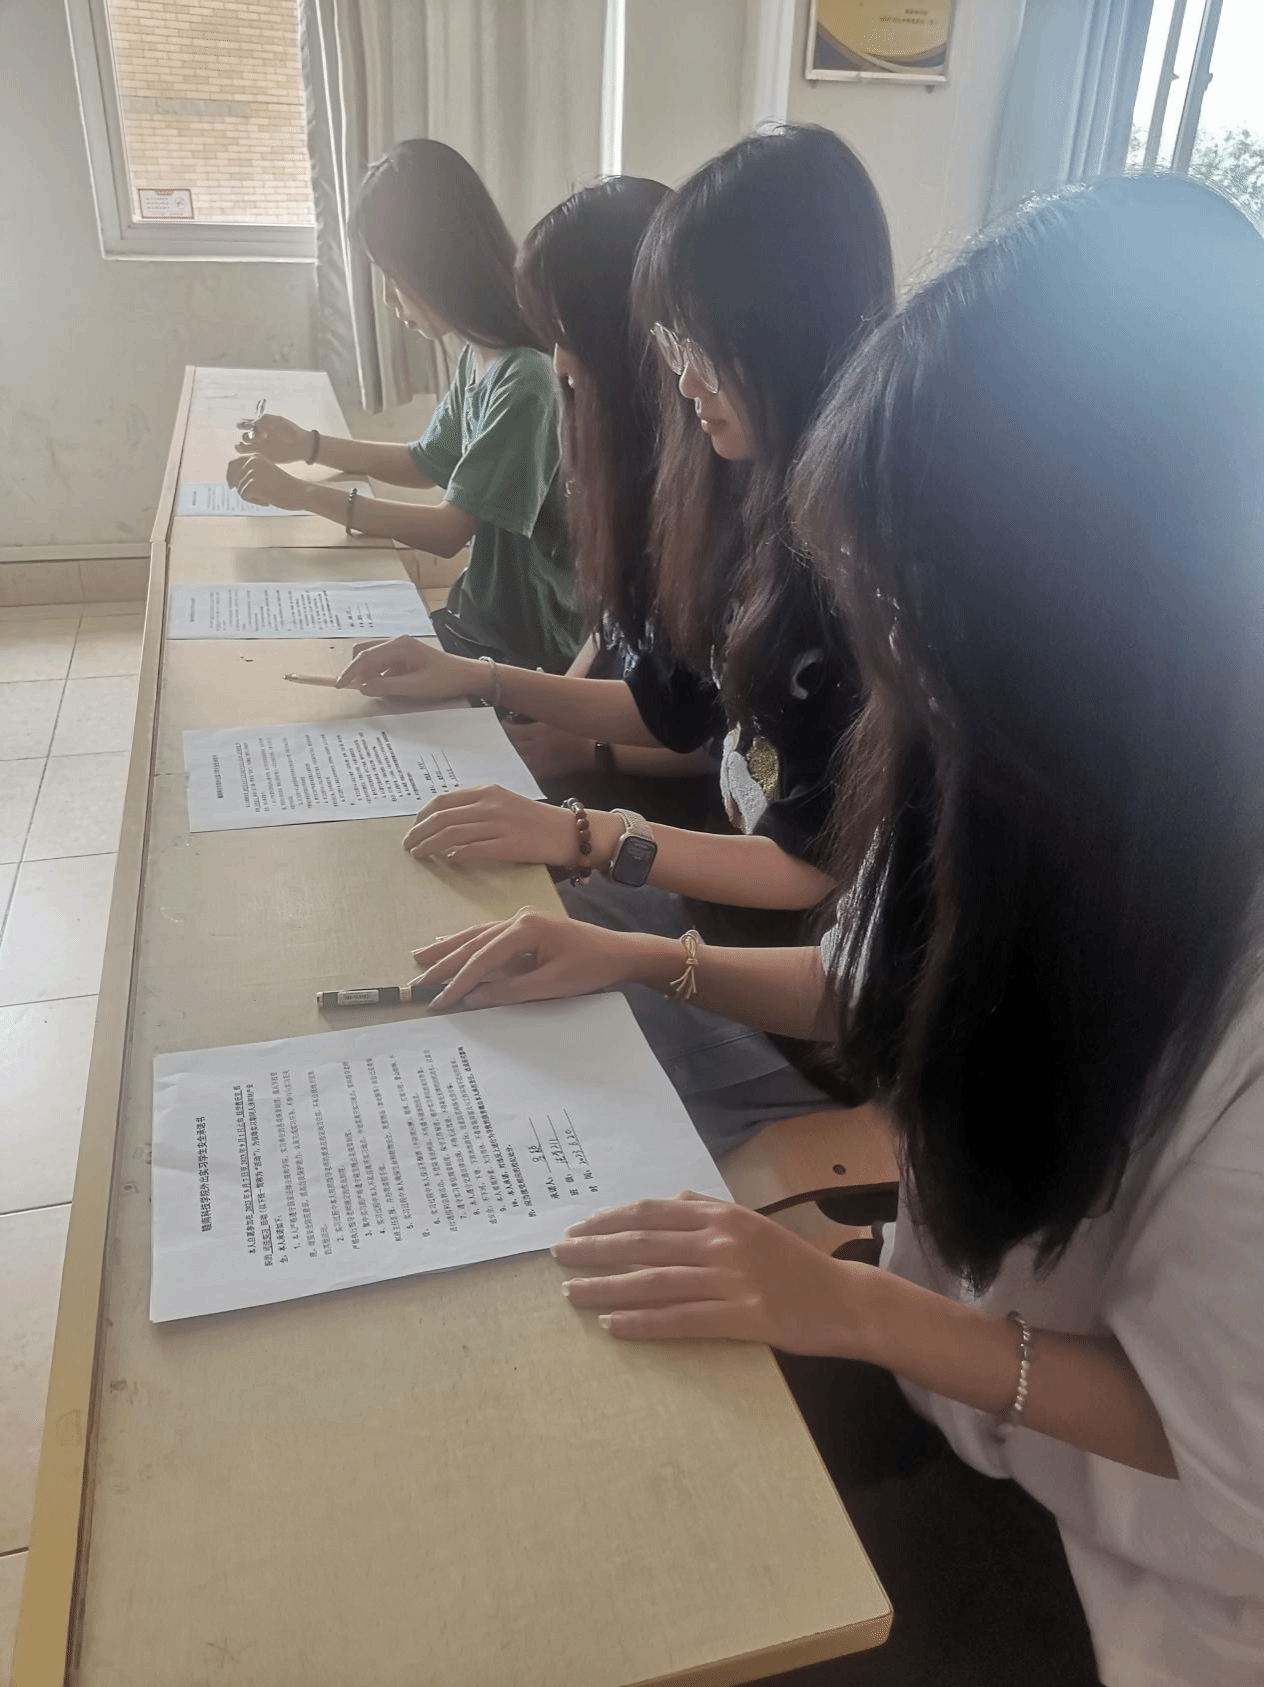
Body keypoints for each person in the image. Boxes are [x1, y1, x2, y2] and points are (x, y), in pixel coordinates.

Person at [407, 174, 1264, 1684]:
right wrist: (637, 951)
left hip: (1135, 1582)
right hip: (960, 1388)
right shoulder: (1042, 779)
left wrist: (848, 1299)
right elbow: (876, 981)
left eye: (924, 611)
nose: (898, 661)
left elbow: (1226, 1458)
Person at [335, 127, 895, 1150]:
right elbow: (677, 712)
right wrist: (486, 689)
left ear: (781, 330)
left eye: (696, 342)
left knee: (496, 1091)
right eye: (670, 342)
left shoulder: (853, 569)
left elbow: (809, 876)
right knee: (454, 956)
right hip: (733, 929)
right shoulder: (751, 498)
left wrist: (585, 834)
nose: (679, 376)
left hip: (784, 998)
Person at [226, 138, 581, 674]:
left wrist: (300, 494)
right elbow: (426, 461)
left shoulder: (525, 380)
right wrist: (308, 446)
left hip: (529, 649)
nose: (389, 299)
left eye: (395, 276)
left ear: (439, 265)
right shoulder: (481, 354)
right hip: (482, 618)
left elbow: (446, 532)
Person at [507, 175, 720, 825]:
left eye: (568, 334)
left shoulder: (714, 494)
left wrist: (582, 749)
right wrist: (542, 711)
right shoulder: (623, 468)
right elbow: (610, 632)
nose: (557, 362)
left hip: (677, 813)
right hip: (616, 774)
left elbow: (720, 741)